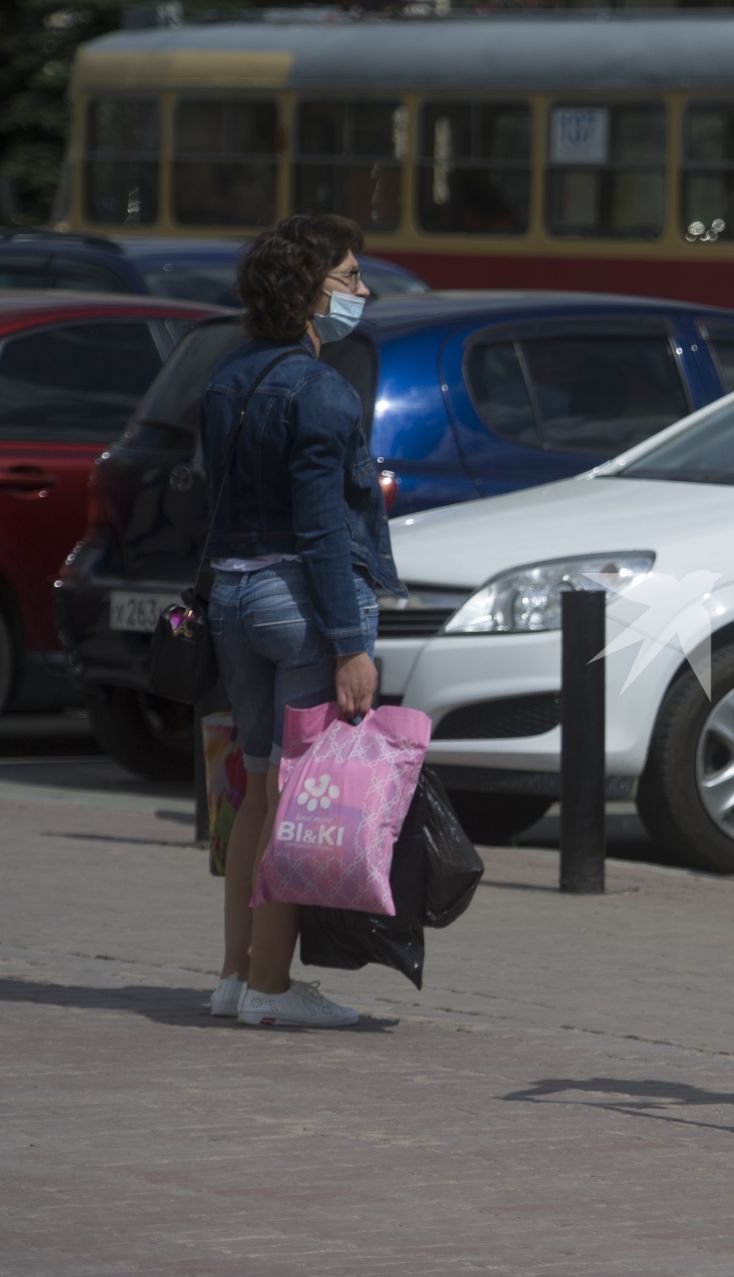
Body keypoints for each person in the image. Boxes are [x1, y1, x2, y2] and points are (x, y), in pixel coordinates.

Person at [203, 213, 403, 1029]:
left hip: (232, 596)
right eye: (350, 278)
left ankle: (233, 974)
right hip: (298, 603)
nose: (362, 292)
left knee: (256, 788)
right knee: (297, 797)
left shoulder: (226, 375)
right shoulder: (322, 389)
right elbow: (323, 528)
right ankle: (272, 990)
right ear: (311, 293)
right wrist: (352, 646)